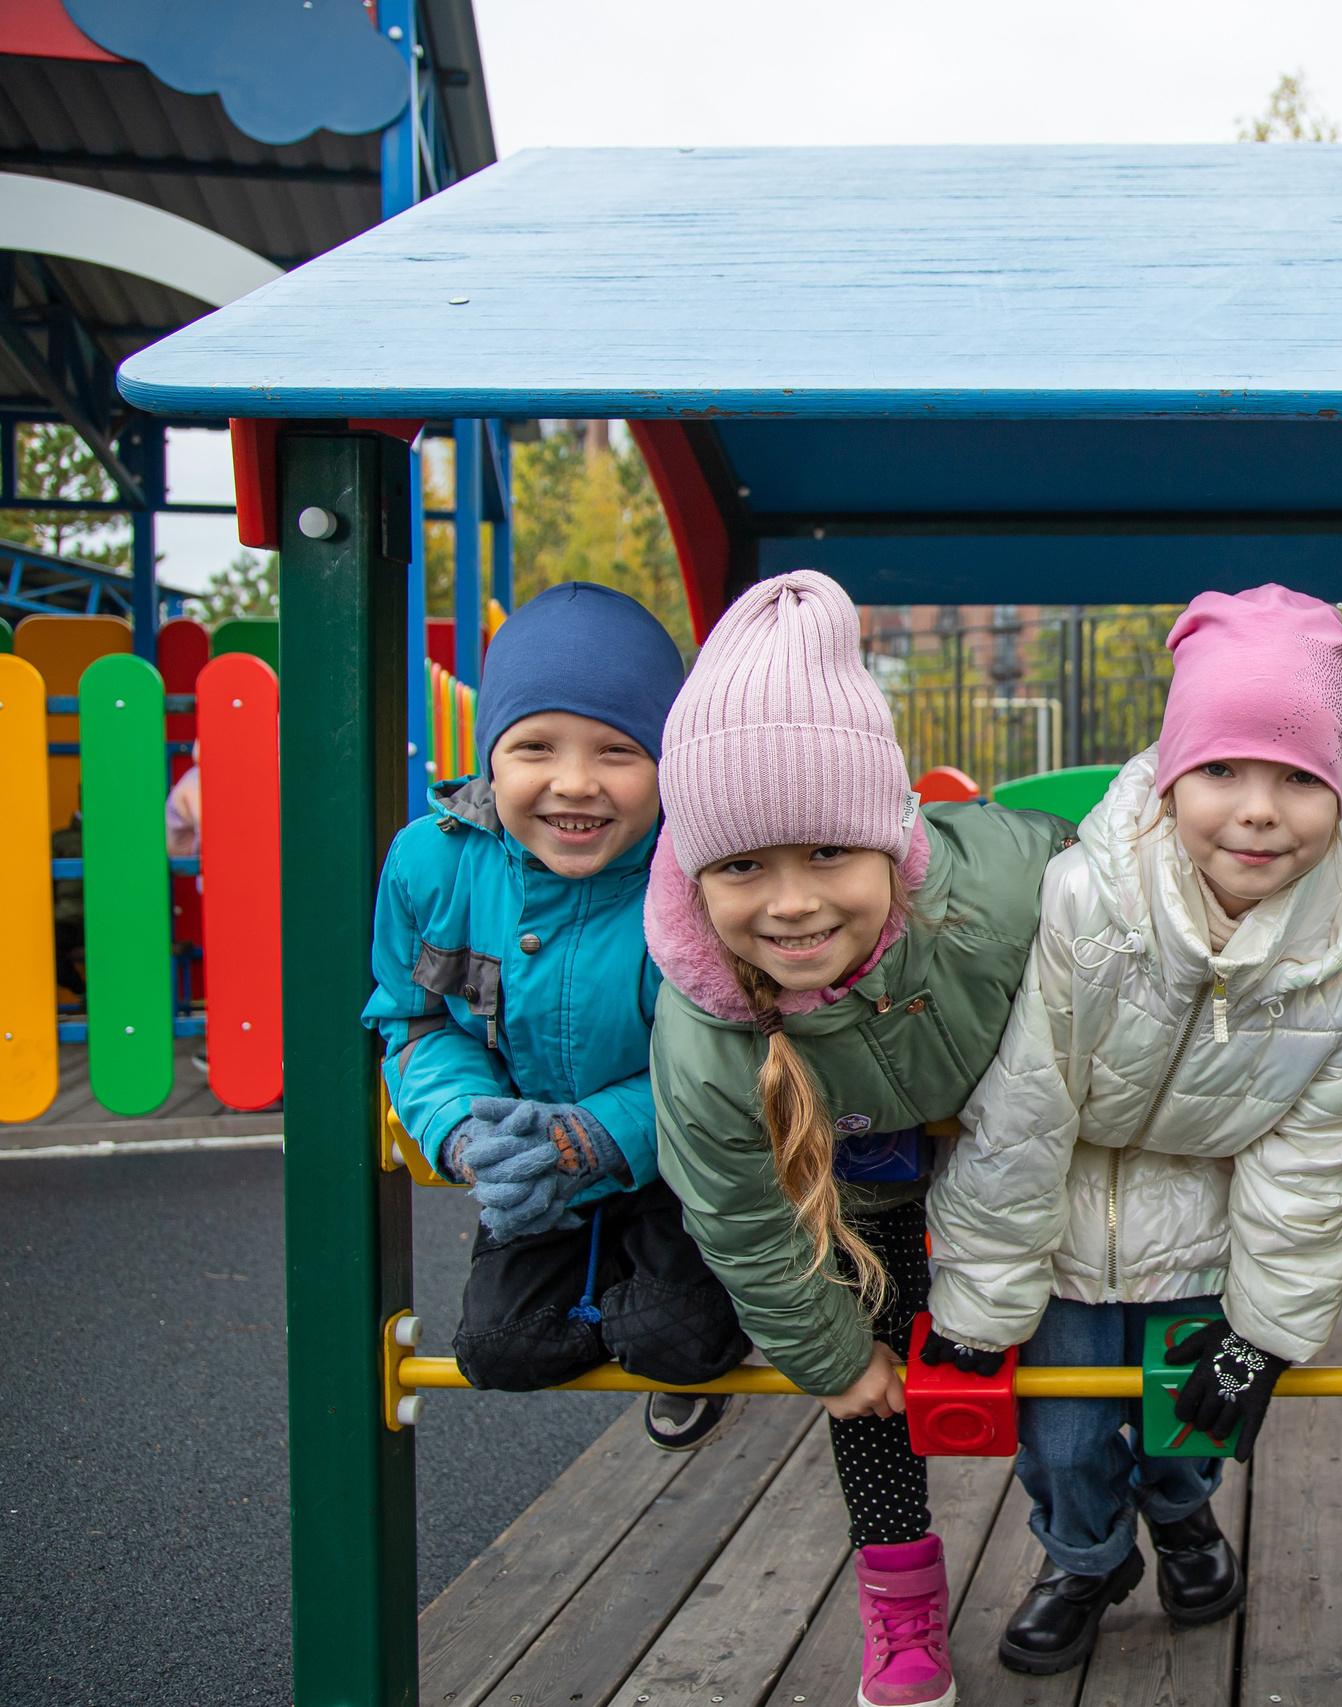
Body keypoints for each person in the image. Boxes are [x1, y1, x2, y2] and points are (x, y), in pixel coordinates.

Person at [923, 584, 1342, 1677]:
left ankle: (1184, 1517)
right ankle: (1084, 1559)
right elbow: (1024, 1107)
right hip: (1060, 1230)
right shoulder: (1088, 900)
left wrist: (1267, 1328)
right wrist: (981, 1298)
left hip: (1208, 1226)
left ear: (1335, 788)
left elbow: (1316, 1151)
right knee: (1065, 1439)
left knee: (1196, 1418)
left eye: (1297, 777)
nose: (1258, 808)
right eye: (1223, 769)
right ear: (1173, 772)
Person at [646, 570, 1076, 1707]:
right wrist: (833, 1357)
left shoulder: (989, 888)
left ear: (892, 842)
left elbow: (1116, 884)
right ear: (697, 874)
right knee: (876, 1406)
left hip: (1016, 1167)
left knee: (1077, 1370)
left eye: (827, 855)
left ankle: (1117, 1538)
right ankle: (902, 1612)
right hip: (860, 1204)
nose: (790, 904)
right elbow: (737, 1211)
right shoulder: (706, 1022)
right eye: (742, 867)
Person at [363, 582, 749, 1450]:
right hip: (531, 1145)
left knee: (673, 1337)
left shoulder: (695, 877)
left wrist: (600, 1136)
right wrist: (466, 1130)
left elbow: (734, 1056)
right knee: (502, 1347)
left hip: (682, 1158)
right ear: (490, 757)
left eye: (618, 750)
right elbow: (415, 1022)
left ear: (666, 763)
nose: (574, 782)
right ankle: (620, 1296)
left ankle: (692, 1334)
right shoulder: (435, 865)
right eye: (535, 745)